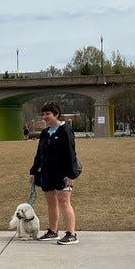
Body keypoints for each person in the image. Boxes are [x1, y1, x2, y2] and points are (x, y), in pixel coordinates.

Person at [29, 101, 79, 245]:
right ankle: (53, 231)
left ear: (56, 114)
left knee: (64, 202)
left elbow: (71, 153)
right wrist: (34, 171)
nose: (45, 117)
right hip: (47, 173)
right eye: (43, 114)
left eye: (48, 114)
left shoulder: (65, 130)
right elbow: (39, 154)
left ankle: (71, 234)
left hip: (62, 173)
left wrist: (71, 174)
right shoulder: (45, 133)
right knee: (51, 202)